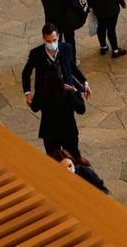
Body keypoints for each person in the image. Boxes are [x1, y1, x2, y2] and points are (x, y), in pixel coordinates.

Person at [23, 23, 90, 163]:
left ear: (58, 37)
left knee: (66, 149)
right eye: (48, 41)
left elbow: (71, 66)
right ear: (43, 39)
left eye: (54, 40)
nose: (52, 43)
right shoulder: (36, 54)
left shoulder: (66, 48)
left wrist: (84, 81)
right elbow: (26, 73)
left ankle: (75, 157)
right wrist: (27, 92)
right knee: (66, 145)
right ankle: (75, 160)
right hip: (59, 109)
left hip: (58, 110)